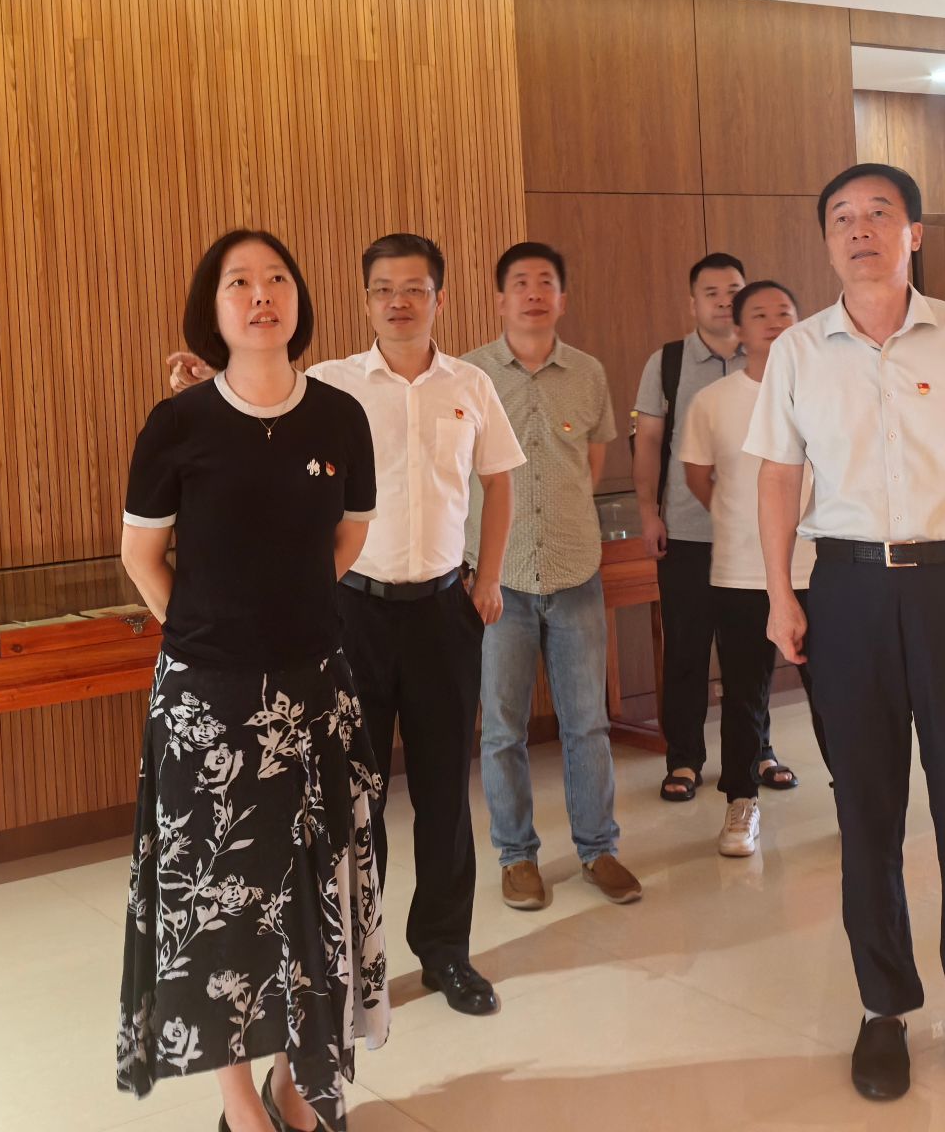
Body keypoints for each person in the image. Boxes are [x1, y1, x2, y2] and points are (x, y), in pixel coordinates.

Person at [747, 163, 945, 1104]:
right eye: (842, 218)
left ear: (913, 234)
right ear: (827, 240)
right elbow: (778, 477)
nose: (860, 230)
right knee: (867, 813)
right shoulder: (798, 352)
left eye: (879, 214)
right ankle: (882, 1007)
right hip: (847, 592)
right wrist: (779, 592)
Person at [119, 229, 387, 1132]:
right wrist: (209, 638)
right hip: (207, 705)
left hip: (314, 693)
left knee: (311, 897)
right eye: (240, 282)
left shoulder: (340, 417)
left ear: (299, 300)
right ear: (214, 309)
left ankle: (296, 1086)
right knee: (219, 910)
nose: (262, 294)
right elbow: (142, 555)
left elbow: (349, 534)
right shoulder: (178, 425)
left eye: (277, 278)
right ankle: (238, 1103)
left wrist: (288, 618)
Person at [307, 233, 526, 1016]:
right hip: (351, 613)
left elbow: (499, 483)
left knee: (443, 794)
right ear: (365, 299)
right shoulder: (328, 385)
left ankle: (445, 953)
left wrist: (488, 578)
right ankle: (351, 964)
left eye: (413, 288)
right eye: (383, 289)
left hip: (442, 612)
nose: (398, 302)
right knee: (352, 800)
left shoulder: (470, 385)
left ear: (439, 297)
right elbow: (267, 440)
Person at [463, 241, 643, 910]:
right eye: (520, 282)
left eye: (546, 282)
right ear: (499, 299)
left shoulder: (589, 373)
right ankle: (517, 857)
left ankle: (598, 848)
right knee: (502, 729)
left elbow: (590, 465)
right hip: (498, 579)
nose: (534, 293)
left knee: (587, 723)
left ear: (562, 299)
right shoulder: (471, 375)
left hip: (575, 571)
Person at [633, 254, 803, 804]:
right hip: (689, 533)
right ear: (693, 303)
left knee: (753, 652)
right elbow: (650, 442)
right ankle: (684, 758)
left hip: (762, 544)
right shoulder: (668, 363)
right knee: (686, 648)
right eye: (711, 292)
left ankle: (760, 751)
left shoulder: (780, 362)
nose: (724, 300)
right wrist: (649, 512)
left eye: (733, 289)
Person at [674, 280, 825, 857]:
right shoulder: (713, 401)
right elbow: (698, 476)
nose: (774, 321)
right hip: (740, 571)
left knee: (833, 691)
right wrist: (740, 522)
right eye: (758, 314)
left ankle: (854, 795)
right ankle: (741, 801)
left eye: (785, 311)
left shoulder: (824, 391)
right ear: (737, 330)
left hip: (817, 567)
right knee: (743, 694)